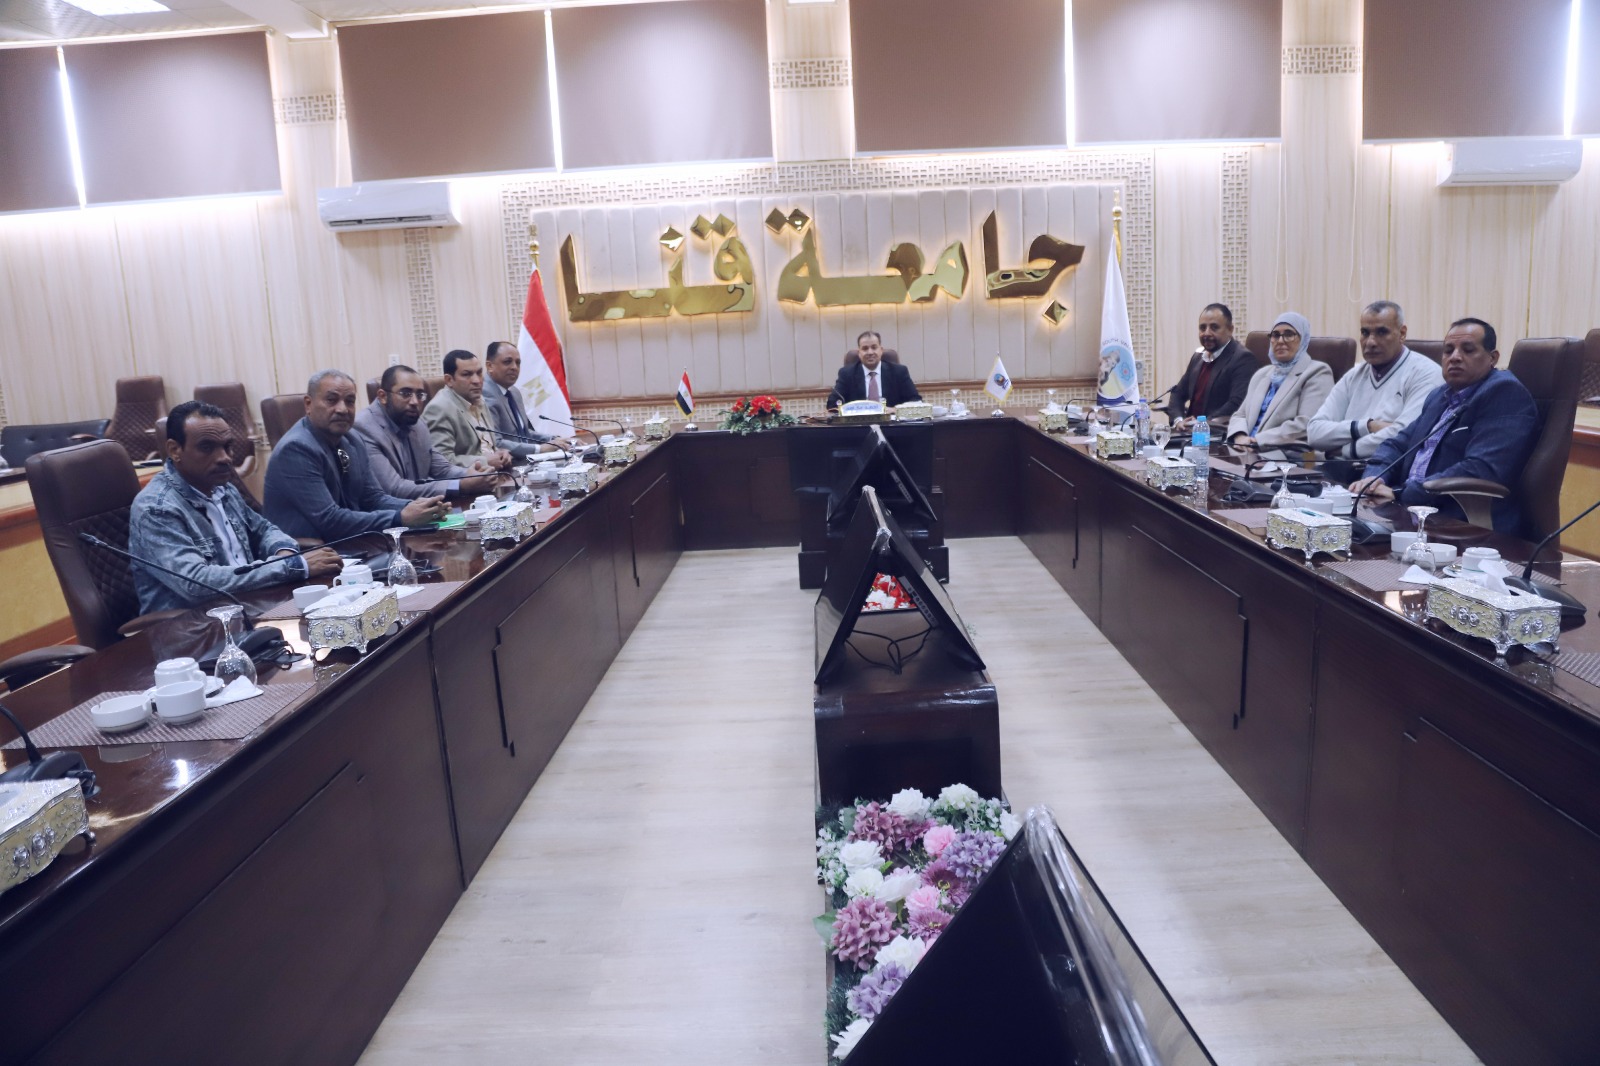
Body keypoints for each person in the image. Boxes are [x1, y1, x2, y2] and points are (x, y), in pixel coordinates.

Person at [129, 400, 343, 613]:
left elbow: (264, 529)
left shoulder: (222, 488)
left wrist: (284, 552)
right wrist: (290, 567)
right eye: (207, 447)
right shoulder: (156, 508)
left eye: (227, 446)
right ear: (175, 450)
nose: (224, 458)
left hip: (251, 605)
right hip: (191, 623)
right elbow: (196, 584)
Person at [1350, 318, 1538, 534]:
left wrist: (1400, 492)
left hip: (1458, 519)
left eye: (1468, 350)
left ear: (1492, 358)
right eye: (1448, 350)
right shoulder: (1440, 396)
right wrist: (1375, 477)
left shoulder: (1504, 393)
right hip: (1410, 510)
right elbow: (1397, 444)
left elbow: (1480, 470)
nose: (1455, 357)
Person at [264, 369, 449, 542]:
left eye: (350, 401)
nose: (343, 409)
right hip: (310, 551)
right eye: (331, 400)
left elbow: (373, 498)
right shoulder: (296, 449)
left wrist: (418, 507)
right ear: (308, 404)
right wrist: (400, 517)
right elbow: (329, 520)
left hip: (351, 542)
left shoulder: (351, 439)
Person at [1306, 301, 1443, 459]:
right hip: (1336, 467)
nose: (1370, 342)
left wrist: (1346, 450)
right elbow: (1314, 433)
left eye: (1381, 332)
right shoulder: (1354, 375)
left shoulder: (1425, 374)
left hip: (1387, 469)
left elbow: (1406, 436)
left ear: (1402, 334)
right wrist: (1369, 426)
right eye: (1365, 333)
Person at [352, 364, 502, 499]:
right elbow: (394, 489)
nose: (414, 402)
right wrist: (461, 485)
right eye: (405, 393)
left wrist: (473, 475)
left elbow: (442, 469)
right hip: (391, 516)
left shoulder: (417, 423)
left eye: (420, 395)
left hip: (425, 508)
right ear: (383, 396)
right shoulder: (364, 428)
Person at [1226, 311, 1334, 449]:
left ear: (1303, 339)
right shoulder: (1262, 374)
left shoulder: (1317, 372)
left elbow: (1307, 424)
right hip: (1245, 448)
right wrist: (1239, 436)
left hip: (1284, 453)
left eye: (1289, 334)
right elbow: (1240, 415)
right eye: (1275, 335)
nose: (1280, 341)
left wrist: (1257, 440)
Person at [1164, 304, 1255, 429]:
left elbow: (1237, 404)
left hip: (1218, 434)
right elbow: (1178, 393)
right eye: (1202, 328)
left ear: (1230, 329)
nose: (1206, 333)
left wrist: (1201, 424)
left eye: (1214, 327)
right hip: (1189, 432)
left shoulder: (1242, 359)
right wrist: (1178, 421)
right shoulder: (1198, 357)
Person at [425, 350, 514, 471]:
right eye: (467, 374)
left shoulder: (479, 399)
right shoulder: (439, 408)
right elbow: (442, 461)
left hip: (495, 473)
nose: (477, 380)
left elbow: (485, 446)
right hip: (470, 479)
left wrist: (501, 454)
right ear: (449, 380)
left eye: (479, 373)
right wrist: (485, 461)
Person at [482, 341, 565, 461]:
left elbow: (525, 433)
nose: (514, 367)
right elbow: (496, 443)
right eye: (507, 362)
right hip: (506, 465)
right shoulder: (484, 393)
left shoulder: (514, 392)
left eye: (518, 363)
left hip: (527, 461)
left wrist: (554, 439)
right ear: (490, 366)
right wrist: (539, 449)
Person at [827, 331, 921, 408]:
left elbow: (916, 401)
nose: (870, 352)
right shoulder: (847, 374)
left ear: (881, 350)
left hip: (891, 422)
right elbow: (832, 405)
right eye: (865, 348)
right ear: (859, 353)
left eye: (874, 347)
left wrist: (894, 410)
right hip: (859, 423)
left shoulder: (899, 372)